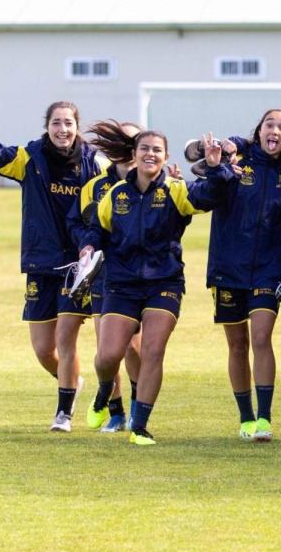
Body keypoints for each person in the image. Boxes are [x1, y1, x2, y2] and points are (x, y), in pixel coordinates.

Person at [0, 96, 105, 432]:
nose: (63, 129)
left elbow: (123, 184)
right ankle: (73, 382)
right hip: (41, 263)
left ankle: (64, 412)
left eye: (68, 123)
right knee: (43, 349)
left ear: (77, 127)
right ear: (47, 127)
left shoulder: (95, 162)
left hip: (80, 265)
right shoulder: (28, 158)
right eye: (56, 123)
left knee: (67, 340)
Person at [80, 130, 213, 445]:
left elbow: (207, 198)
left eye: (157, 150)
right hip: (122, 283)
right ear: (134, 155)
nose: (150, 154)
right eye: (144, 149)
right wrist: (88, 247)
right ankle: (103, 391)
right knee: (108, 355)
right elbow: (97, 229)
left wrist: (216, 168)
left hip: (163, 282)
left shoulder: (175, 190)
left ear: (166, 157)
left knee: (153, 350)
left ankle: (139, 426)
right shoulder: (116, 194)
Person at [201, 109, 281, 442]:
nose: (275, 131)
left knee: (261, 338)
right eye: (269, 125)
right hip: (228, 268)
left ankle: (264, 418)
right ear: (259, 131)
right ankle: (245, 417)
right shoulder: (237, 160)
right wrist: (218, 167)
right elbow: (211, 194)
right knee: (237, 345)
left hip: (268, 270)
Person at [69, 120, 147, 433]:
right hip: (104, 276)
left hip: (140, 277)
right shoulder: (96, 185)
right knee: (107, 349)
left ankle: (138, 409)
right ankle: (114, 411)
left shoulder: (150, 181)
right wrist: (87, 246)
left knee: (134, 348)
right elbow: (77, 223)